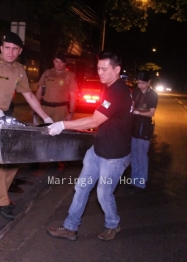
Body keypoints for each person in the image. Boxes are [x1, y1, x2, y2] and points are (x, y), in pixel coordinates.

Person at [46, 50, 133, 241]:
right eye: (98, 68)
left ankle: (113, 224)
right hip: (97, 150)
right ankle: (70, 227)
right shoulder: (109, 87)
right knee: (82, 187)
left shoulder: (118, 91)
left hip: (114, 156)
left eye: (104, 69)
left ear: (117, 70)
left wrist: (63, 125)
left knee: (103, 193)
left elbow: (94, 121)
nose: (100, 72)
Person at [0, 32, 54, 220]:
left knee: (13, 159)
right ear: (1, 48)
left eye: (15, 49)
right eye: (7, 48)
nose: (10, 52)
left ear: (20, 51)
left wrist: (46, 117)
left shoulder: (19, 69)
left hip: (5, 119)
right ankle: (2, 202)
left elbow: (29, 96)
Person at [129, 70, 158, 192]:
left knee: (141, 155)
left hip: (144, 127)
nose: (140, 85)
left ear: (149, 82)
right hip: (134, 125)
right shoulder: (135, 92)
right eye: (139, 83)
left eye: (143, 83)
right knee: (133, 154)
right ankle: (134, 179)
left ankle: (141, 181)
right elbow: (131, 105)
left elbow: (151, 112)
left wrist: (137, 112)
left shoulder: (153, 95)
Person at [35, 52, 77, 123]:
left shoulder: (70, 76)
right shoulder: (47, 73)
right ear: (53, 61)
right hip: (45, 108)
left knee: (58, 132)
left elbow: (73, 96)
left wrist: (71, 113)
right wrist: (35, 107)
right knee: (42, 131)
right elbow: (40, 89)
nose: (59, 64)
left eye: (61, 62)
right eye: (56, 61)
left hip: (60, 110)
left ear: (65, 63)